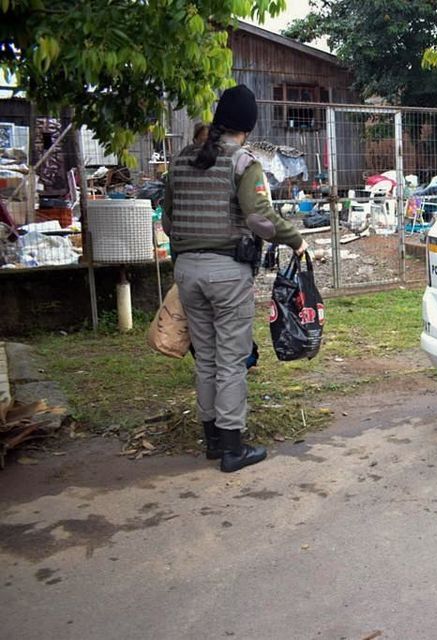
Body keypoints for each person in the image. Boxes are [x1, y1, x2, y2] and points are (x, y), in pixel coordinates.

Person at [163, 85, 306, 473]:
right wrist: (296, 239)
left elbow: (168, 220)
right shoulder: (243, 162)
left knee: (206, 358)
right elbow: (260, 218)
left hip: (187, 272)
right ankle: (232, 448)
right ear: (247, 126)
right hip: (226, 273)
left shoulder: (181, 158)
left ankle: (212, 440)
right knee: (231, 360)